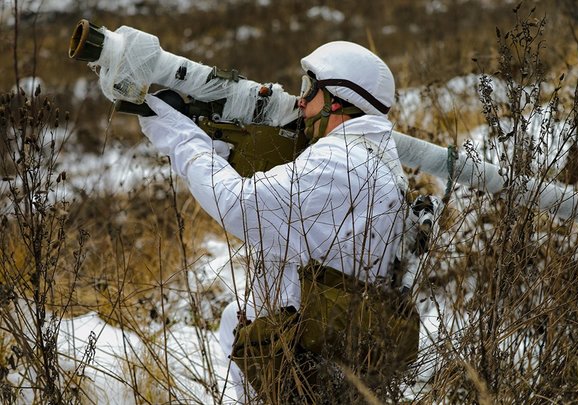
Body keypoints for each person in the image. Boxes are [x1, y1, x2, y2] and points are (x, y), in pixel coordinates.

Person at [138, 41, 419, 403]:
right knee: (231, 321)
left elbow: (237, 204)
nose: (301, 102)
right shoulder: (377, 159)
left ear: (339, 99)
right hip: (334, 344)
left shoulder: (339, 162)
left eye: (310, 90)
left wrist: (177, 135)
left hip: (303, 356)